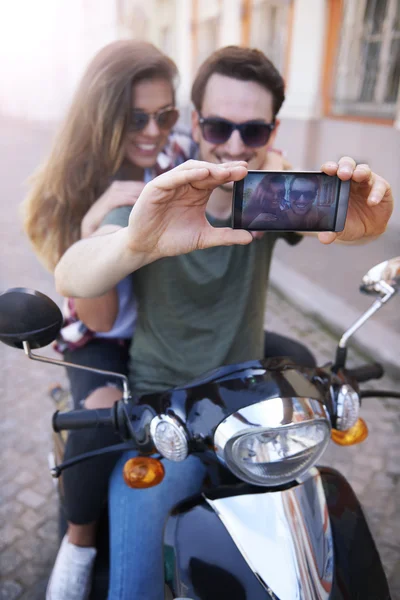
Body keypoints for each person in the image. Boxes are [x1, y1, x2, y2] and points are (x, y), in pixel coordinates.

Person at [54, 46, 393, 599]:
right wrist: (138, 243)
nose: (235, 146)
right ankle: (76, 549)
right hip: (165, 410)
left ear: (273, 131)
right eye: (218, 125)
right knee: (132, 586)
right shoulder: (156, 202)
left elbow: (340, 228)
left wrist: (363, 227)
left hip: (249, 405)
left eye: (254, 131)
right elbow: (75, 271)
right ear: (195, 123)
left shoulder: (270, 203)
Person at [22, 39, 193, 600]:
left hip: (163, 327)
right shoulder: (70, 194)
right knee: (102, 416)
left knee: (291, 362)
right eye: (135, 117)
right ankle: (78, 544)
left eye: (164, 114)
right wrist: (96, 228)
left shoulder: (175, 161)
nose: (153, 129)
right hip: (101, 334)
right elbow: (104, 313)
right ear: (102, 118)